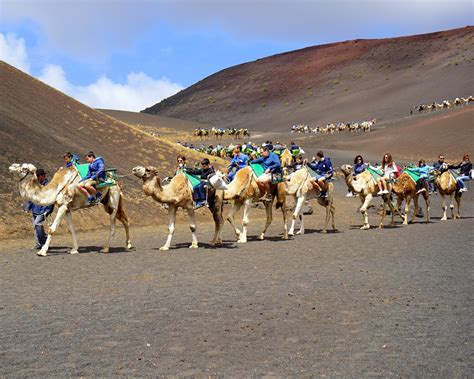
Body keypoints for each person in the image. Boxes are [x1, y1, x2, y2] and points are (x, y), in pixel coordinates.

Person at [25, 169, 54, 250]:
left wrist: (47, 211)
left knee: (37, 224)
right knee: (35, 227)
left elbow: (50, 198)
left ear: (42, 176)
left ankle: (45, 243)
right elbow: (31, 196)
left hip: (43, 210)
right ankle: (39, 244)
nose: (36, 178)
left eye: (38, 176)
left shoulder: (48, 186)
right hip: (35, 209)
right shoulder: (35, 185)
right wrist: (27, 208)